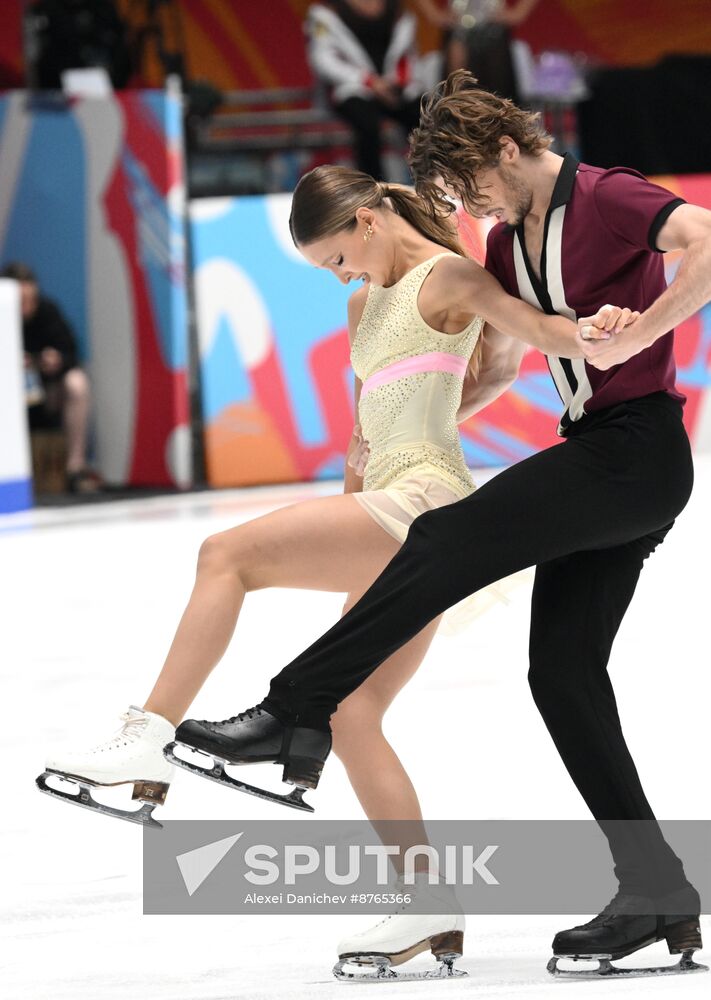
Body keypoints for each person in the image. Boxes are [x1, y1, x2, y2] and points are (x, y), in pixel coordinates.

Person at [36, 165, 635, 977]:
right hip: (379, 500)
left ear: (367, 218)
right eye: (328, 271)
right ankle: (427, 903)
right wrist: (356, 479)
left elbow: (532, 337)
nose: (342, 277)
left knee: (225, 554)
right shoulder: (364, 304)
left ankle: (146, 740)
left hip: (423, 505)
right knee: (352, 715)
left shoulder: (448, 274)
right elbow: (376, 421)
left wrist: (597, 330)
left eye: (338, 258)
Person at [179, 72, 711, 977]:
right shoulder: (506, 242)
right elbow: (504, 363)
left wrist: (640, 329)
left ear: (507, 149)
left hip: (634, 451)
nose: (470, 206)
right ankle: (654, 888)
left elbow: (702, 241)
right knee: (562, 676)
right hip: (601, 451)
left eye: (474, 187)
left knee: (440, 539)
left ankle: (293, 708)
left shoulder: (605, 195)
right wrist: (409, 420)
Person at [1, 262, 102, 493]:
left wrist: (55, 360)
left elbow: (70, 351)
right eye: (19, 301)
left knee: (77, 383)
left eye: (29, 299)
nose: (25, 306)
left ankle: (75, 468)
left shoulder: (47, 311)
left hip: (45, 392)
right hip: (8, 394)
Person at [306, 0, 426, 179]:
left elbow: (407, 54)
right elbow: (323, 60)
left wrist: (395, 82)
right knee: (367, 125)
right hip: (351, 89)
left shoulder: (398, 12)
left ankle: (433, 180)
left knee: (427, 113)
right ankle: (373, 187)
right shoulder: (324, 13)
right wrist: (369, 82)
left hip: (394, 88)